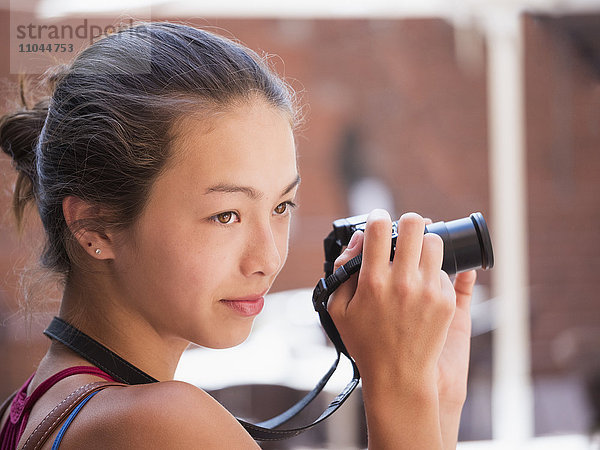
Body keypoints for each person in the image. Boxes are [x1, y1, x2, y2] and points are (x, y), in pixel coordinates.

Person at [0, 21, 477, 449]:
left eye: (281, 207)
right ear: (93, 226)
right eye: (226, 215)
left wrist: (433, 397)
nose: (268, 259)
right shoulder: (163, 426)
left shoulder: (29, 409)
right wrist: (399, 387)